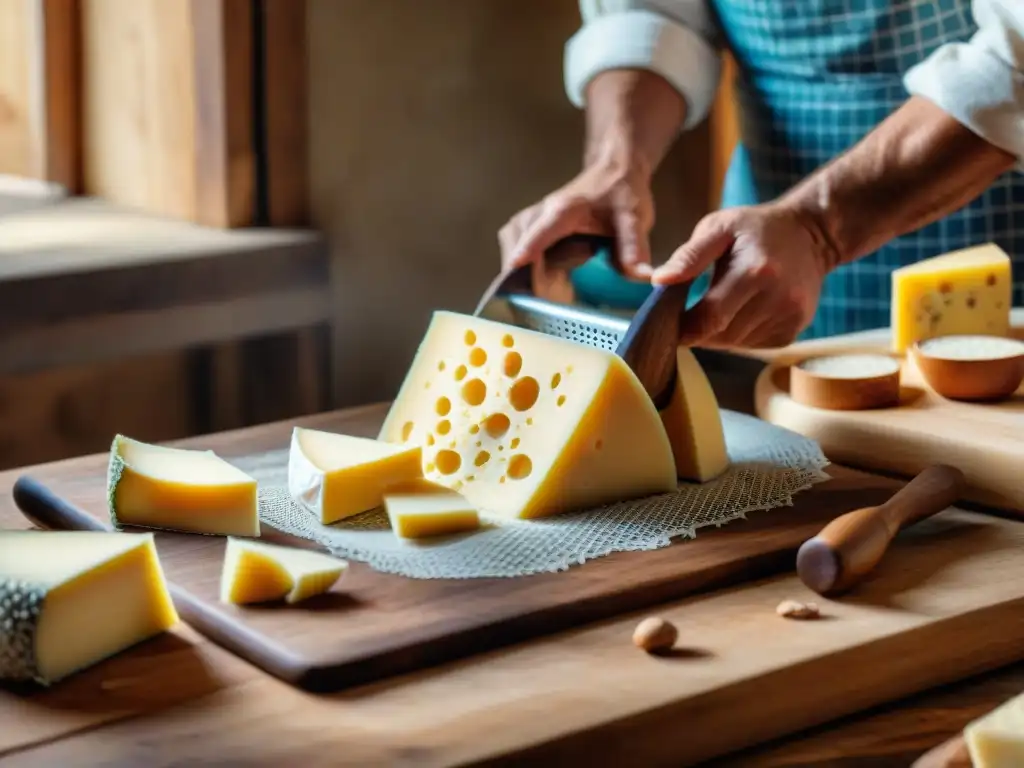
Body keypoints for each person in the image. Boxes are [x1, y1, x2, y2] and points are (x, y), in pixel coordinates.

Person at [499, 1, 1024, 349]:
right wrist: (614, 165)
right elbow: (651, 14)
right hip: (763, 256)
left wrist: (819, 229)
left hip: (999, 245)